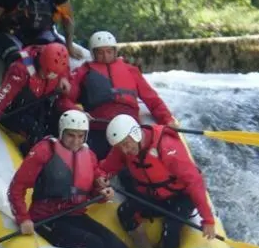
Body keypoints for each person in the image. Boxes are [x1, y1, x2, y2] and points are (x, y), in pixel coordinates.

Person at [6, 110, 131, 248]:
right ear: (61, 132)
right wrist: (23, 218)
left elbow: (92, 192)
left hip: (75, 215)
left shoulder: (89, 156)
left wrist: (102, 193)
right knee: (94, 245)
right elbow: (16, 187)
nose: (76, 141)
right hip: (46, 219)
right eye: (71, 135)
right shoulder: (44, 151)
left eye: (80, 136)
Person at [97, 114, 217, 248]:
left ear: (136, 134)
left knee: (171, 228)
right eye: (120, 147)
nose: (124, 150)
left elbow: (194, 182)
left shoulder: (166, 147)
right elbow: (106, 167)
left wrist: (208, 219)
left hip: (181, 197)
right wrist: (101, 176)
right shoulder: (123, 148)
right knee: (124, 212)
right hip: (155, 195)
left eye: (126, 144)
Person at [59, 30, 176, 158]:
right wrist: (78, 113)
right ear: (93, 53)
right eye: (100, 52)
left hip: (129, 129)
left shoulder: (131, 71)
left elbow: (152, 100)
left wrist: (167, 119)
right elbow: (64, 100)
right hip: (99, 127)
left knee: (133, 165)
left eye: (109, 51)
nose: (105, 56)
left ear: (115, 51)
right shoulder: (83, 72)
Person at [0, 43, 71, 146]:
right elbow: (1, 99)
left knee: (57, 123)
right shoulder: (20, 71)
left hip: (37, 103)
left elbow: (64, 67)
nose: (52, 77)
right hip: (14, 111)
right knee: (36, 133)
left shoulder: (57, 63)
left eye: (55, 74)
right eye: (48, 74)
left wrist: (64, 77)